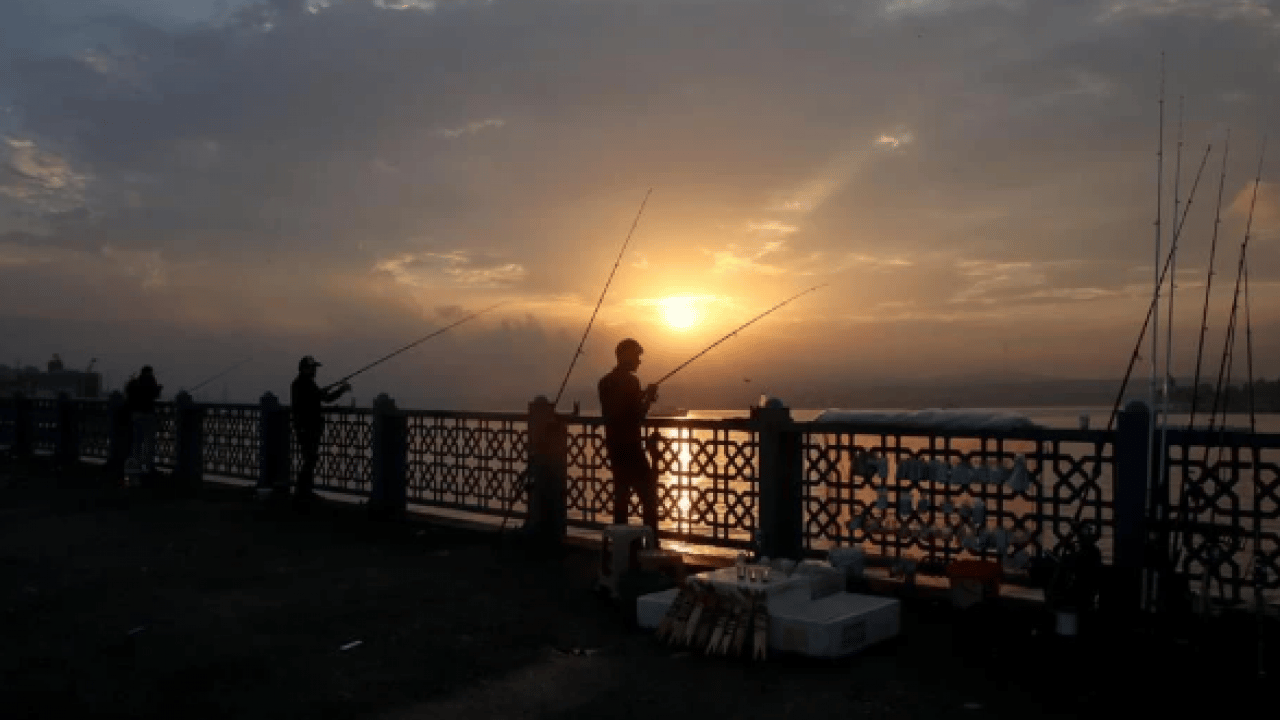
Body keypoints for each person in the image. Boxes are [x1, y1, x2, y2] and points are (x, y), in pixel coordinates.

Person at [598, 338, 661, 545]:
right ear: (626, 356)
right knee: (649, 500)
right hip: (632, 448)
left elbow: (617, 409)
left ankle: (621, 550)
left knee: (621, 500)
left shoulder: (604, 382)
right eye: (637, 356)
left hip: (614, 448)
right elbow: (637, 416)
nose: (639, 362)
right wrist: (649, 398)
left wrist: (640, 397)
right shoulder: (631, 382)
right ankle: (651, 547)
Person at [290, 356, 350, 509]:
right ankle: (302, 492)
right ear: (304, 369)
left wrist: (325, 392)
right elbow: (324, 398)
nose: (315, 370)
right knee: (310, 459)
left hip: (308, 428)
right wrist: (342, 389)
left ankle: (304, 491)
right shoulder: (302, 384)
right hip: (306, 428)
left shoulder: (303, 384)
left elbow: (319, 396)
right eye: (312, 368)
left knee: (310, 459)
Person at [125, 366, 162, 480]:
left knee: (136, 444)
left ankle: (134, 469)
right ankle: (148, 468)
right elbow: (154, 395)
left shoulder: (134, 384)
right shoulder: (149, 381)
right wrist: (159, 388)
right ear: (149, 372)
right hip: (147, 415)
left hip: (136, 416)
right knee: (149, 444)